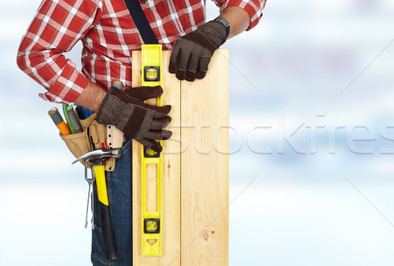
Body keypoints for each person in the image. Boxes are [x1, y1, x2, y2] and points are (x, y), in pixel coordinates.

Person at [16, 0, 266, 265]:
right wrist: (110, 107)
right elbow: (35, 55)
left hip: (192, 113)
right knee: (125, 255)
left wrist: (219, 27)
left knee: (196, 248)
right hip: (123, 132)